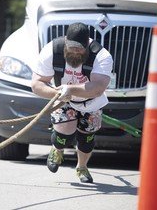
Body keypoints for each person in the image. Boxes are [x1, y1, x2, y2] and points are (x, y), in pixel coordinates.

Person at [31, 22, 113, 183]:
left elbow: (98, 88)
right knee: (64, 132)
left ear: (87, 46)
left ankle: (81, 167)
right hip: (62, 99)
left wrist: (71, 90)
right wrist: (57, 93)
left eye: (80, 48)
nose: (75, 52)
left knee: (86, 139)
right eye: (72, 47)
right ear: (66, 42)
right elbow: (36, 84)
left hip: (91, 101)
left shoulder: (102, 56)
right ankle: (57, 149)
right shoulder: (52, 50)